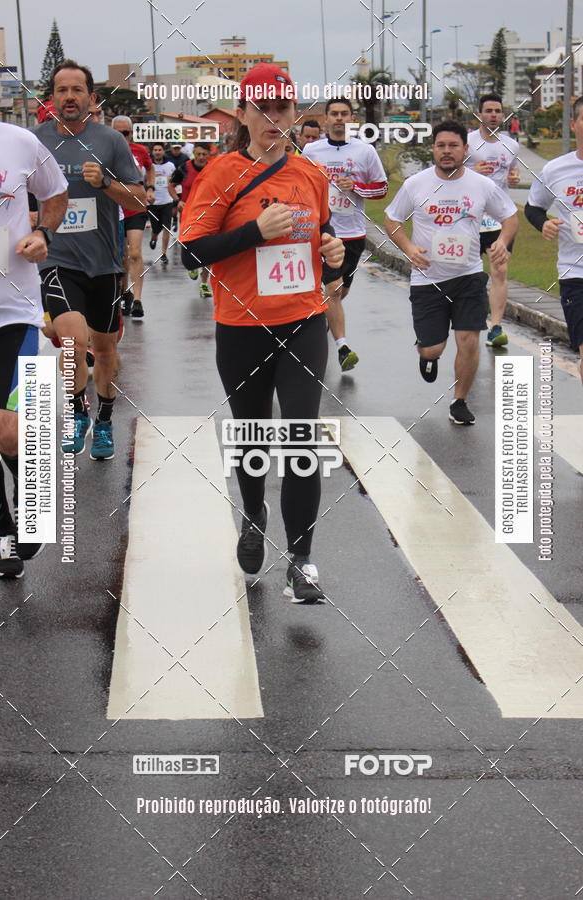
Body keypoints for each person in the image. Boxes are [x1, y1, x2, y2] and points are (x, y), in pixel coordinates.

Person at [179, 63, 344, 603]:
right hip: (241, 326)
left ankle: (302, 559)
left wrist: (335, 254)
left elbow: (324, 236)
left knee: (301, 435)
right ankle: (253, 512)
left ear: (295, 114)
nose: (273, 118)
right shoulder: (222, 173)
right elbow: (189, 253)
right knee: (252, 434)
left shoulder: (312, 175)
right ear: (245, 115)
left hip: (302, 321)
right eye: (262, 108)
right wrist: (253, 231)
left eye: (283, 108)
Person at [36, 61, 145, 460]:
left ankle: (104, 420)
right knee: (71, 339)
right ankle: (79, 408)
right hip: (58, 260)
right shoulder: (36, 142)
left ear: (91, 98)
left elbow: (139, 199)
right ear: (52, 98)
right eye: (61, 90)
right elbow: (22, 199)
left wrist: (107, 183)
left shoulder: (110, 142)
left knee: (104, 350)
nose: (69, 97)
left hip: (104, 263)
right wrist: (35, 220)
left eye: (76, 90)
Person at [385, 120, 518, 425]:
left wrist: (501, 241)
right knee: (434, 349)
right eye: (441, 146)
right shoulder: (415, 184)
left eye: (453, 146)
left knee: (469, 339)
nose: (447, 151)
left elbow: (510, 216)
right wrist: (407, 247)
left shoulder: (482, 185)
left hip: (469, 275)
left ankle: (460, 400)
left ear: (465, 150)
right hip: (427, 278)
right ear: (433, 149)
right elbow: (392, 220)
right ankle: (426, 353)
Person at [0, 119, 67, 577]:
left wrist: (44, 234)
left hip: (10, 313)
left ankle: (37, 498)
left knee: (4, 428)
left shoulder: (16, 141)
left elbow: (55, 195)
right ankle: (5, 532)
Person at [303, 97, 388, 371]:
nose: (339, 118)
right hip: (325, 233)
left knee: (339, 292)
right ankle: (343, 347)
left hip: (353, 234)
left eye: (344, 114)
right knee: (333, 290)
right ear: (326, 119)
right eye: (334, 114)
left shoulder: (364, 151)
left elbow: (382, 188)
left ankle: (321, 326)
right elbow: (298, 186)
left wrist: (357, 186)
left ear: (351, 118)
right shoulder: (312, 151)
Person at [526, 95, 583, 386]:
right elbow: (532, 207)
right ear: (574, 124)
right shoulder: (555, 169)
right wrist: (544, 224)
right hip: (575, 273)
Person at [465, 93, 520, 347]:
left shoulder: (511, 145)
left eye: (498, 111)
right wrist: (471, 171)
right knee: (472, 274)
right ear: (479, 115)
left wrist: (514, 178)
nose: (494, 115)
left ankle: (496, 326)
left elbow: (512, 171)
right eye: (488, 110)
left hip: (500, 218)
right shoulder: (467, 142)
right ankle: (473, 319)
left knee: (500, 270)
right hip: (471, 217)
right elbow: (450, 172)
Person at [112, 115, 155, 316]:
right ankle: (124, 292)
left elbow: (150, 168)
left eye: (126, 133)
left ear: (131, 133)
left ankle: (137, 299)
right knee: (122, 255)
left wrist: (151, 188)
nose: (122, 137)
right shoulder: (106, 150)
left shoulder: (140, 150)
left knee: (135, 252)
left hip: (136, 207)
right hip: (114, 208)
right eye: (118, 133)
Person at [172, 142, 212, 297]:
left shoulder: (213, 168)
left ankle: (204, 284)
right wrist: (178, 200)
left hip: (208, 213)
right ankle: (191, 265)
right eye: (198, 154)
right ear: (194, 153)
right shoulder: (184, 168)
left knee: (209, 250)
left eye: (204, 154)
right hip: (188, 214)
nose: (201, 157)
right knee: (189, 245)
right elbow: (171, 184)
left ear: (208, 154)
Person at [147, 143, 177, 262]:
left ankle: (163, 253)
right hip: (152, 202)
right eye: (155, 150)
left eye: (160, 150)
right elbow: (143, 180)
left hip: (167, 201)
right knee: (156, 228)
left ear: (163, 152)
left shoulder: (170, 166)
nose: (158, 152)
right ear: (152, 152)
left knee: (166, 227)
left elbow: (175, 182)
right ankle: (153, 238)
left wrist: (176, 198)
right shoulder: (148, 166)